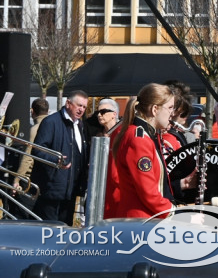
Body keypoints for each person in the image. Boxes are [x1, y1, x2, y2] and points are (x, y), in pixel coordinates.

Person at [104, 83, 176, 219]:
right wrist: (175, 212)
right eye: (170, 108)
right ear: (155, 109)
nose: (172, 114)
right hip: (141, 221)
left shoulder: (145, 135)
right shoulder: (139, 139)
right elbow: (148, 192)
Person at [30, 90, 89, 224]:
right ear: (68, 103)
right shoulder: (51, 122)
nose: (81, 110)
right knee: (50, 232)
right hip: (52, 190)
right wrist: (56, 160)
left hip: (71, 191)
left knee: (65, 231)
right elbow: (37, 150)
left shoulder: (79, 125)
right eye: (79, 105)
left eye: (84, 107)